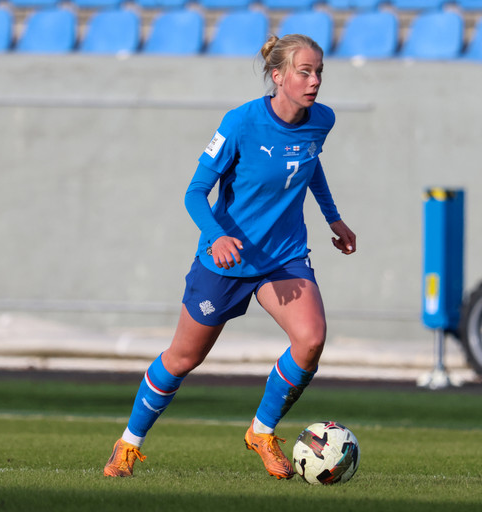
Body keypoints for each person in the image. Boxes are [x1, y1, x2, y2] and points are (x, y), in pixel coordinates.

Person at [103, 33, 356, 480]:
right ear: (278, 76)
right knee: (182, 359)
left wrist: (333, 218)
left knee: (311, 340)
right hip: (227, 259)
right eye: (304, 72)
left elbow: (309, 162)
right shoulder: (240, 123)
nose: (315, 81)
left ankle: (262, 431)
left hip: (283, 257)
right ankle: (128, 444)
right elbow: (195, 192)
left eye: (319, 72)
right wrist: (216, 236)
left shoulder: (323, 120)